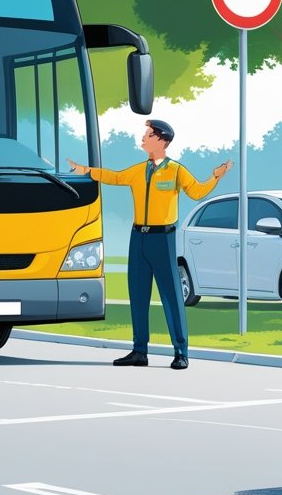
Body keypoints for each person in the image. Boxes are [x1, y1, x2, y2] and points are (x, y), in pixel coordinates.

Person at [68, 120, 232, 370]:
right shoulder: (138, 170)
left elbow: (197, 192)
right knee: (138, 294)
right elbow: (114, 177)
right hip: (138, 239)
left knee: (172, 296)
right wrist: (85, 170)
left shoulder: (176, 171)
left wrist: (215, 177)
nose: (143, 139)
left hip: (163, 239)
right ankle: (139, 351)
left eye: (148, 135)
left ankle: (180, 352)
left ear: (162, 140)